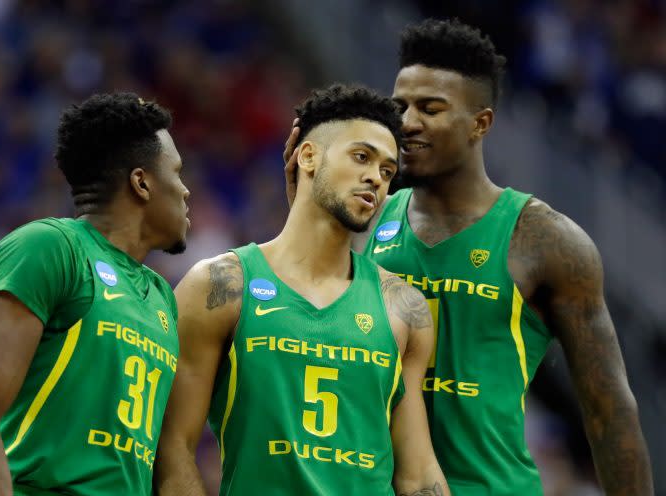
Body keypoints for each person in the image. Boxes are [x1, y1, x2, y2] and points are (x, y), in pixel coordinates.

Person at [283, 19, 653, 496]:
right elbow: (304, 340)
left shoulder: (544, 238)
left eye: (430, 108)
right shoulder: (366, 222)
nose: (408, 122)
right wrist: (304, 223)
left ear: (481, 122)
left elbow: (610, 410)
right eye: (400, 106)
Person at [154, 84, 450, 495]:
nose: (375, 179)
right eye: (362, 157)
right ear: (308, 156)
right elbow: (172, 449)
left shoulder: (404, 308)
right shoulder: (221, 284)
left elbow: (418, 473)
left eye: (387, 171)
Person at [0, 93, 190, 496]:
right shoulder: (49, 248)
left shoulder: (162, 295)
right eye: (178, 172)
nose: (185, 190)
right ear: (141, 182)